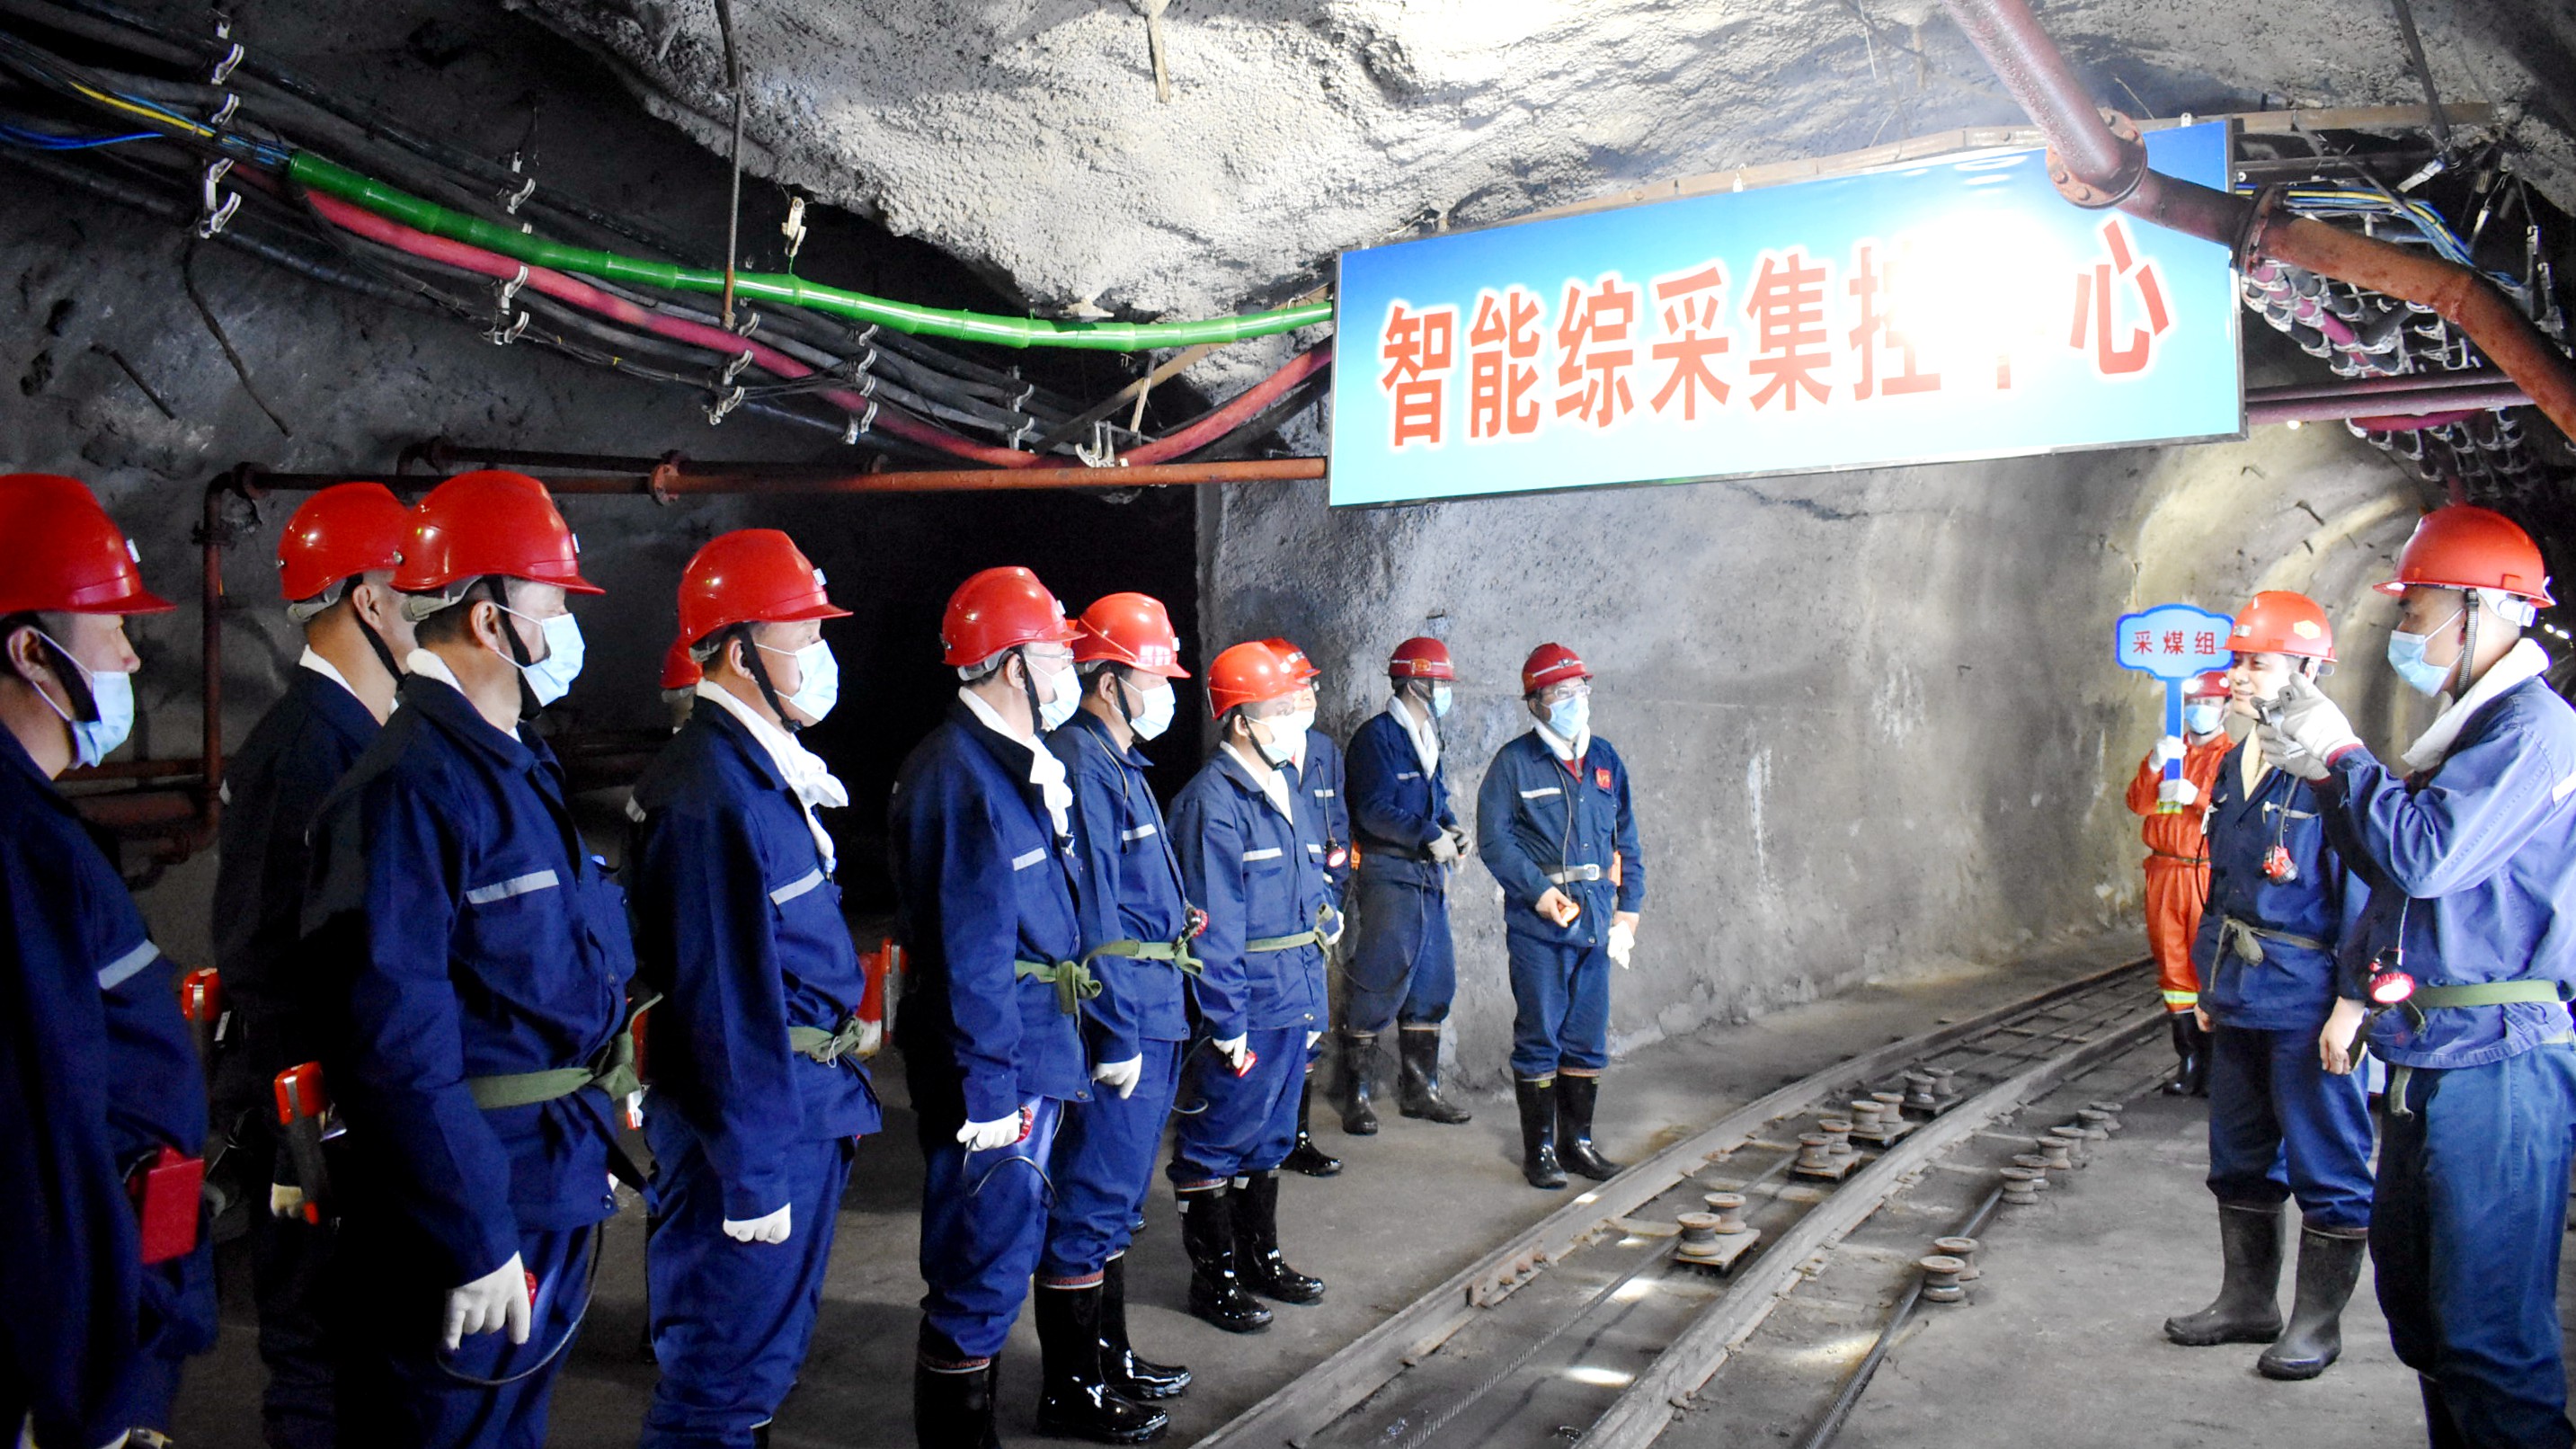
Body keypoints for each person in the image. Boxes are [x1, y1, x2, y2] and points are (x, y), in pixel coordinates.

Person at [299, 469, 637, 1449]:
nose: (567, 624)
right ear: (493, 622)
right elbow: (395, 1040)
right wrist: (474, 1230)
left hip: (543, 1170)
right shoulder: (409, 788)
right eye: (554, 603)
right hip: (479, 1198)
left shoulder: (511, 762)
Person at [2260, 503, 2576, 1449]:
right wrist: (2328, 782)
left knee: (2489, 1335)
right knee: (2427, 1319)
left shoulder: (2532, 733)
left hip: (2498, 1063)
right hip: (2432, 1054)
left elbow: (2427, 858)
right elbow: (2392, 873)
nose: (2403, 628)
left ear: (2481, 611)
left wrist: (2344, 754)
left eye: (2415, 609)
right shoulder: (2471, 731)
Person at [629, 529, 882, 1449]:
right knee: (719, 1377)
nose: (819, 655)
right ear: (739, 652)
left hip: (798, 1106)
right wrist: (754, 1169)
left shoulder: (754, 773)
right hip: (754, 1125)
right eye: (802, 635)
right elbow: (721, 1006)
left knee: (761, 1362)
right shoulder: (709, 793)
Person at [0, 472, 216, 1449]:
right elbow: (43, 1133)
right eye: (111, 626)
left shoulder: (37, 830)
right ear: (29, 651)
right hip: (73, 1343)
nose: (131, 654)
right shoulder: (20, 847)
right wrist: (95, 1394)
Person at [208, 481, 414, 1448]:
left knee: (366, 1350)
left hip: (353, 1108)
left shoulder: (361, 738)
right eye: (420, 593)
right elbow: (261, 952)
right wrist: (313, 1126)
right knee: (318, 1356)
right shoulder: (305, 749)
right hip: (313, 1122)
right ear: (368, 601)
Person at [887, 566, 1093, 1446]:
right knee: (978, 1259)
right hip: (992, 1062)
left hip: (1029, 1045)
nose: (1067, 673)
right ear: (1014, 666)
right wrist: (991, 1095)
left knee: (1006, 1248)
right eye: (1056, 656)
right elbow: (972, 957)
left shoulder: (1007, 767)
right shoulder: (957, 775)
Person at [2162, 591, 2373, 1382]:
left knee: (2327, 1163)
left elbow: (2368, 899)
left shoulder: (2337, 771)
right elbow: (2223, 886)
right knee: (2240, 1155)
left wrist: (2352, 1005)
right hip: (2242, 992)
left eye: (2259, 661)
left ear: (2309, 669)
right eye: (2239, 661)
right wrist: (2209, 985)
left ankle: (2318, 1324)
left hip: (2307, 999)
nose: (2241, 675)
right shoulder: (2238, 762)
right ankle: (2248, 1302)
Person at [1036, 592, 1200, 1436]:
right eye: (1153, 677)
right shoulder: (1082, 761)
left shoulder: (1120, 761)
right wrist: (1116, 1030)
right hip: (1128, 1009)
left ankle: (1110, 1358)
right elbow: (1094, 906)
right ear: (1107, 681)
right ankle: (1072, 1390)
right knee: (1091, 1199)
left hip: (1155, 1001)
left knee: (1120, 1198)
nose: (1164, 693)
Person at [1167, 642, 1335, 1333]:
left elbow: (1307, 889)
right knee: (1215, 1139)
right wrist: (1226, 1022)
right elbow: (1212, 927)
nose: (1297, 720)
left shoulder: (1284, 786)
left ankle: (1259, 1258)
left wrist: (1316, 991)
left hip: (1293, 993)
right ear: (1241, 721)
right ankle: (1215, 1281)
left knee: (1269, 1137)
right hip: (1248, 999)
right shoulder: (1212, 804)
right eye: (1281, 709)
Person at [1475, 644, 1644, 1191]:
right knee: (1540, 1033)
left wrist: (1629, 910)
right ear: (1536, 703)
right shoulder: (1514, 764)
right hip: (1539, 928)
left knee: (1587, 1035)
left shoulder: (1606, 760)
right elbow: (1494, 842)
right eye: (1561, 693)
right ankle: (1541, 1151)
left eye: (1580, 689)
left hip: (1595, 922)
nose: (1575, 700)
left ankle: (1578, 1143)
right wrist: (1539, 893)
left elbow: (1627, 840)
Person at [1338, 636, 1471, 1133]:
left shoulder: (1428, 736)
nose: (1444, 691)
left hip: (1427, 876)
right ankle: (1357, 1095)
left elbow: (1436, 800)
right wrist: (1427, 833)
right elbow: (1371, 809)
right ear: (1414, 684)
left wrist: (1451, 828)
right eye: (1439, 682)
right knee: (1381, 976)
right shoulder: (1376, 739)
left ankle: (1420, 1090)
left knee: (1433, 979)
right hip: (1389, 872)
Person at [1262, 638, 1348, 1177]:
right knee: (1275, 1028)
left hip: (1318, 912)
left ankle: (1296, 1135)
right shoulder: (1259, 754)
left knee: (1312, 1025)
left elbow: (1337, 825)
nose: (1310, 694)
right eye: (1298, 686)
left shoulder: (1323, 752)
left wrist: (1335, 890)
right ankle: (1265, 1136)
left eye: (1312, 684)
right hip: (1277, 920)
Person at [2126, 669, 2234, 1095]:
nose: (2199, 710)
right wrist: (2154, 766)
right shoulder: (2172, 752)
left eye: (2209, 702)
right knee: (2172, 966)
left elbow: (2235, 816)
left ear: (2226, 708)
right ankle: (2189, 1060)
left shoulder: (2235, 759)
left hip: (2206, 871)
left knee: (2209, 964)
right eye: (2194, 702)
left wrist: (2198, 798)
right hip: (2164, 871)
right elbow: (2138, 804)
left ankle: (2217, 1065)